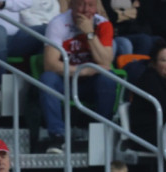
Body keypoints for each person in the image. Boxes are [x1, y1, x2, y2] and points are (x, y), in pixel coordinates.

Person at [40, 0, 116, 153]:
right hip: (65, 81)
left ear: (96, 7)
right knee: (47, 79)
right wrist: (83, 70)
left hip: (91, 82)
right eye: (81, 4)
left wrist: (89, 33)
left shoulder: (103, 25)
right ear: (71, 5)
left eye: (91, 5)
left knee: (107, 79)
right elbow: (50, 64)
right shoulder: (58, 24)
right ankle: (57, 136)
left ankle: (100, 134)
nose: (86, 10)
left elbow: (106, 62)